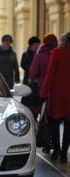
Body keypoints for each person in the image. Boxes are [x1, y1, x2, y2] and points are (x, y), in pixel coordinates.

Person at [40, 32, 70, 163]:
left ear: (63, 41)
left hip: (57, 94)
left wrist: (43, 93)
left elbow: (50, 73)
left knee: (54, 123)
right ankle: (64, 153)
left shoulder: (57, 52)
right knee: (69, 125)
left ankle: (56, 150)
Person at [29, 34, 58, 153]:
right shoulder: (58, 52)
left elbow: (32, 73)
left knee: (44, 117)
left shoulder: (40, 55)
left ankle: (46, 142)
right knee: (55, 118)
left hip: (43, 90)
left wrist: (37, 81)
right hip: (57, 91)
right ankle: (57, 146)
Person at [20, 36, 41, 116]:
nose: (37, 46)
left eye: (38, 44)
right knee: (27, 95)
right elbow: (22, 64)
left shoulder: (39, 54)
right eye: (35, 44)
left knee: (35, 97)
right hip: (28, 78)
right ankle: (27, 112)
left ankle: (34, 113)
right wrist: (31, 68)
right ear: (31, 45)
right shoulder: (25, 54)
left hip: (37, 79)